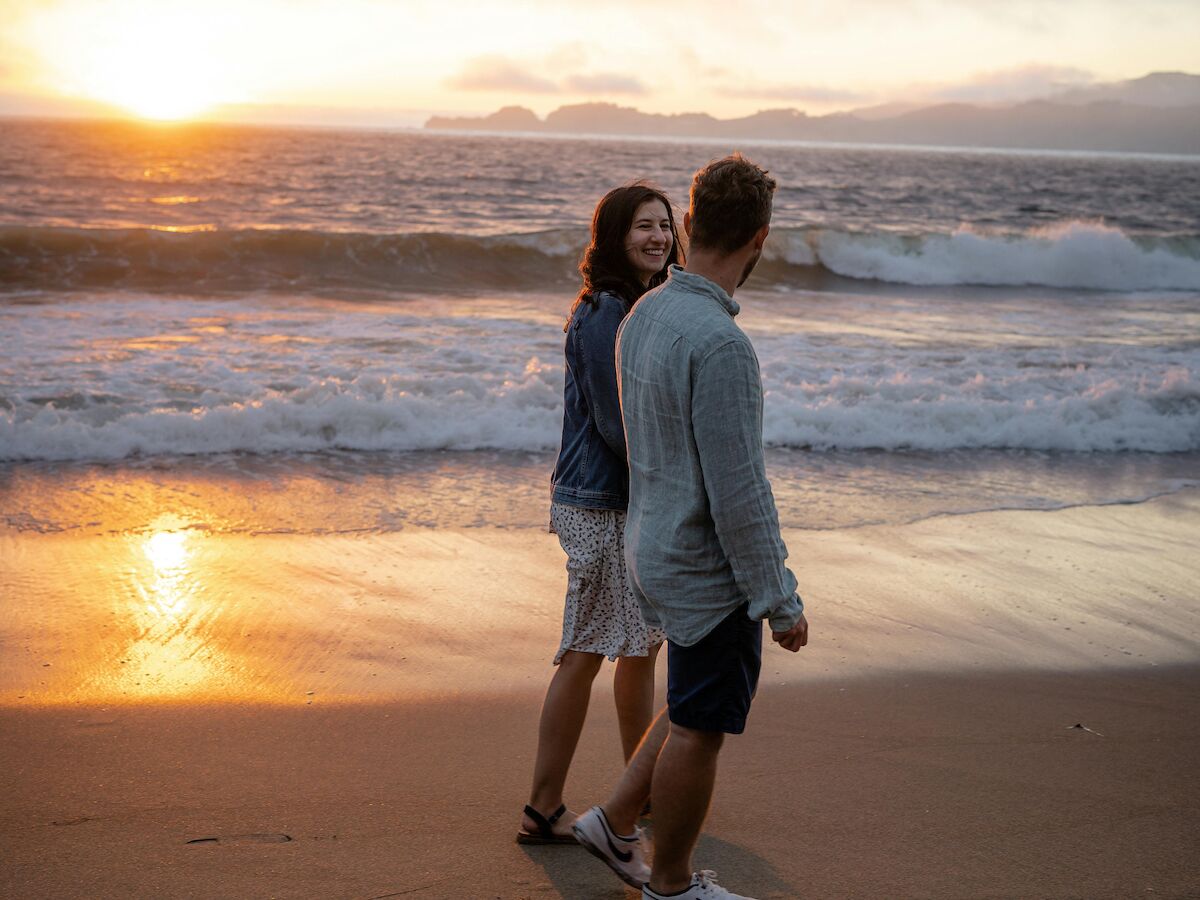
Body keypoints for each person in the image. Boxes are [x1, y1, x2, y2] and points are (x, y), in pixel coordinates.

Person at [571, 154, 809, 900]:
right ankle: (670, 884)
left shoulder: (646, 313)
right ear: (759, 239)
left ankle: (612, 822)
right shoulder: (721, 346)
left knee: (687, 701)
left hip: (651, 547)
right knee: (701, 728)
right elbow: (740, 493)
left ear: (692, 224)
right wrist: (780, 597)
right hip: (704, 571)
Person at [516, 183, 682, 846]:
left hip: (628, 500)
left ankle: (636, 797)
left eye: (665, 226)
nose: (658, 238)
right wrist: (679, 477)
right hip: (597, 501)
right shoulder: (602, 311)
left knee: (640, 648)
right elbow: (618, 426)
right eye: (643, 226)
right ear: (615, 235)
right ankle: (541, 807)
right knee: (585, 652)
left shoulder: (642, 305)